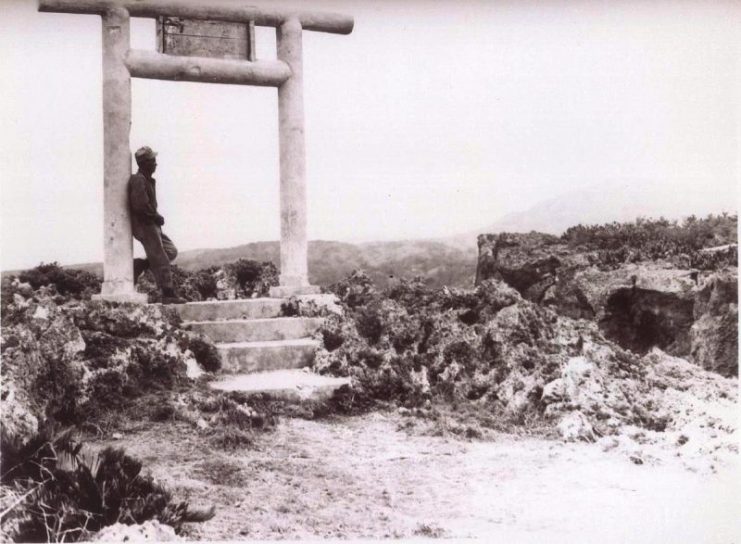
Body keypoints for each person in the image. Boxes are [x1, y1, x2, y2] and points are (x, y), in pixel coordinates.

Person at [128, 146, 184, 304]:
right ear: (145, 163)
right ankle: (168, 293)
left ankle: (140, 264)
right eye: (153, 161)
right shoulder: (138, 180)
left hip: (152, 223)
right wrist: (156, 216)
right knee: (161, 258)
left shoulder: (147, 180)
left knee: (171, 251)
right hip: (145, 224)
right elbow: (140, 206)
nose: (155, 164)